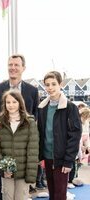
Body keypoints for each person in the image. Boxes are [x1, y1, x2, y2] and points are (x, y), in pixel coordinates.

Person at [0, 54, 39, 199]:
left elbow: (34, 117)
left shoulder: (32, 91)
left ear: (23, 68)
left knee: (21, 194)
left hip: (23, 157)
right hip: (4, 153)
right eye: (10, 64)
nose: (13, 68)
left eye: (16, 65)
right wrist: (2, 161)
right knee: (2, 191)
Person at [38, 71, 82, 200]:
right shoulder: (42, 108)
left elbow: (75, 136)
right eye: (47, 85)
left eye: (53, 84)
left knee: (60, 194)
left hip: (62, 159)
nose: (50, 87)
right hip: (47, 157)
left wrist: (69, 161)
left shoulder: (70, 108)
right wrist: (40, 156)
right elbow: (40, 133)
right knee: (51, 192)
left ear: (60, 84)